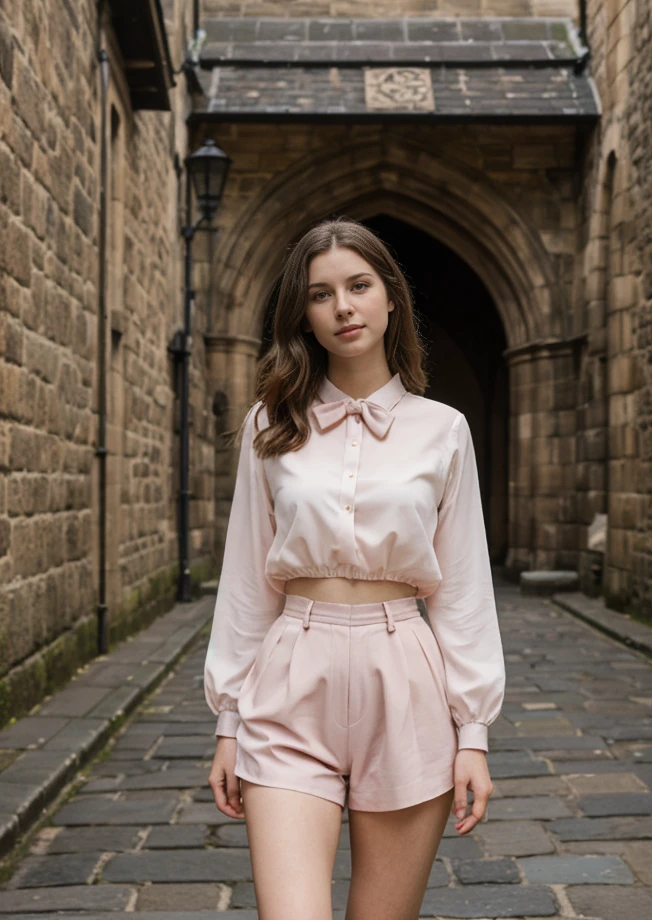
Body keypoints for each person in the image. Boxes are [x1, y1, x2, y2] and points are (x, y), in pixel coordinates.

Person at [204, 218, 506, 920]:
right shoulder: (268, 425)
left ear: (390, 298)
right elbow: (247, 580)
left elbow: (462, 591)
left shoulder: (444, 429)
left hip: (404, 678)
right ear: (303, 317)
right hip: (289, 680)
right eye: (320, 294)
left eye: (359, 286)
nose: (342, 306)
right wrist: (228, 720)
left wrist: (473, 737)